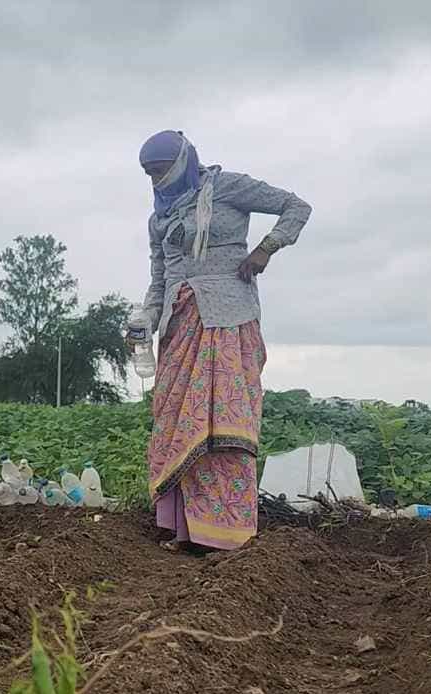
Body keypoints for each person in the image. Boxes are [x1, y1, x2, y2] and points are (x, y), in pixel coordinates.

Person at [131, 129, 311, 552]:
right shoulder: (160, 218)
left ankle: (225, 532)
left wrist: (266, 248)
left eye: (161, 170)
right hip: (181, 326)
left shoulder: (227, 187)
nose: (156, 180)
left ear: (182, 162)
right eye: (149, 174)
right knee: (179, 424)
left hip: (228, 320)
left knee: (224, 425)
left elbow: (296, 207)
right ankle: (184, 530)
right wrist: (144, 321)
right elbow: (160, 279)